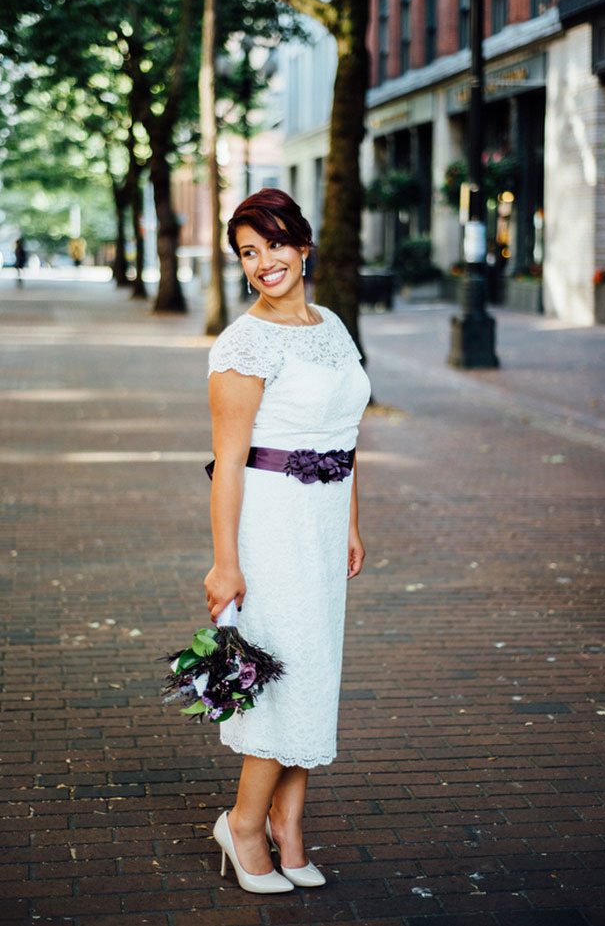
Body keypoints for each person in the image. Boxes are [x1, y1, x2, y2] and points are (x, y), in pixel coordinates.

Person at [204, 188, 371, 894]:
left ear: (303, 246)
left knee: (313, 672)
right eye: (249, 251)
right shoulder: (243, 342)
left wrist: (353, 522)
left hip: (326, 522)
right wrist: (224, 561)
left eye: (274, 243)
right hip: (271, 522)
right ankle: (243, 823)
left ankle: (290, 827)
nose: (264, 261)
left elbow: (345, 435)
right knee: (281, 675)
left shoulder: (330, 324)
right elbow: (227, 465)